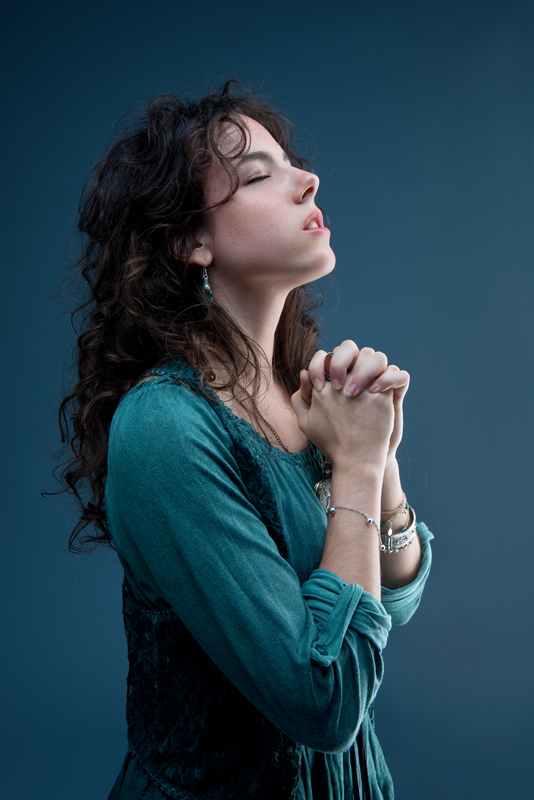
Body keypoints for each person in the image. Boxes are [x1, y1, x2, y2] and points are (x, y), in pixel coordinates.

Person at [57, 81, 433, 799]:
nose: (308, 179)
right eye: (259, 174)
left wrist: (380, 463)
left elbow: (393, 602)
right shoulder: (165, 427)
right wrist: (353, 464)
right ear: (189, 241)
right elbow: (323, 701)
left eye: (293, 162)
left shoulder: (304, 388)